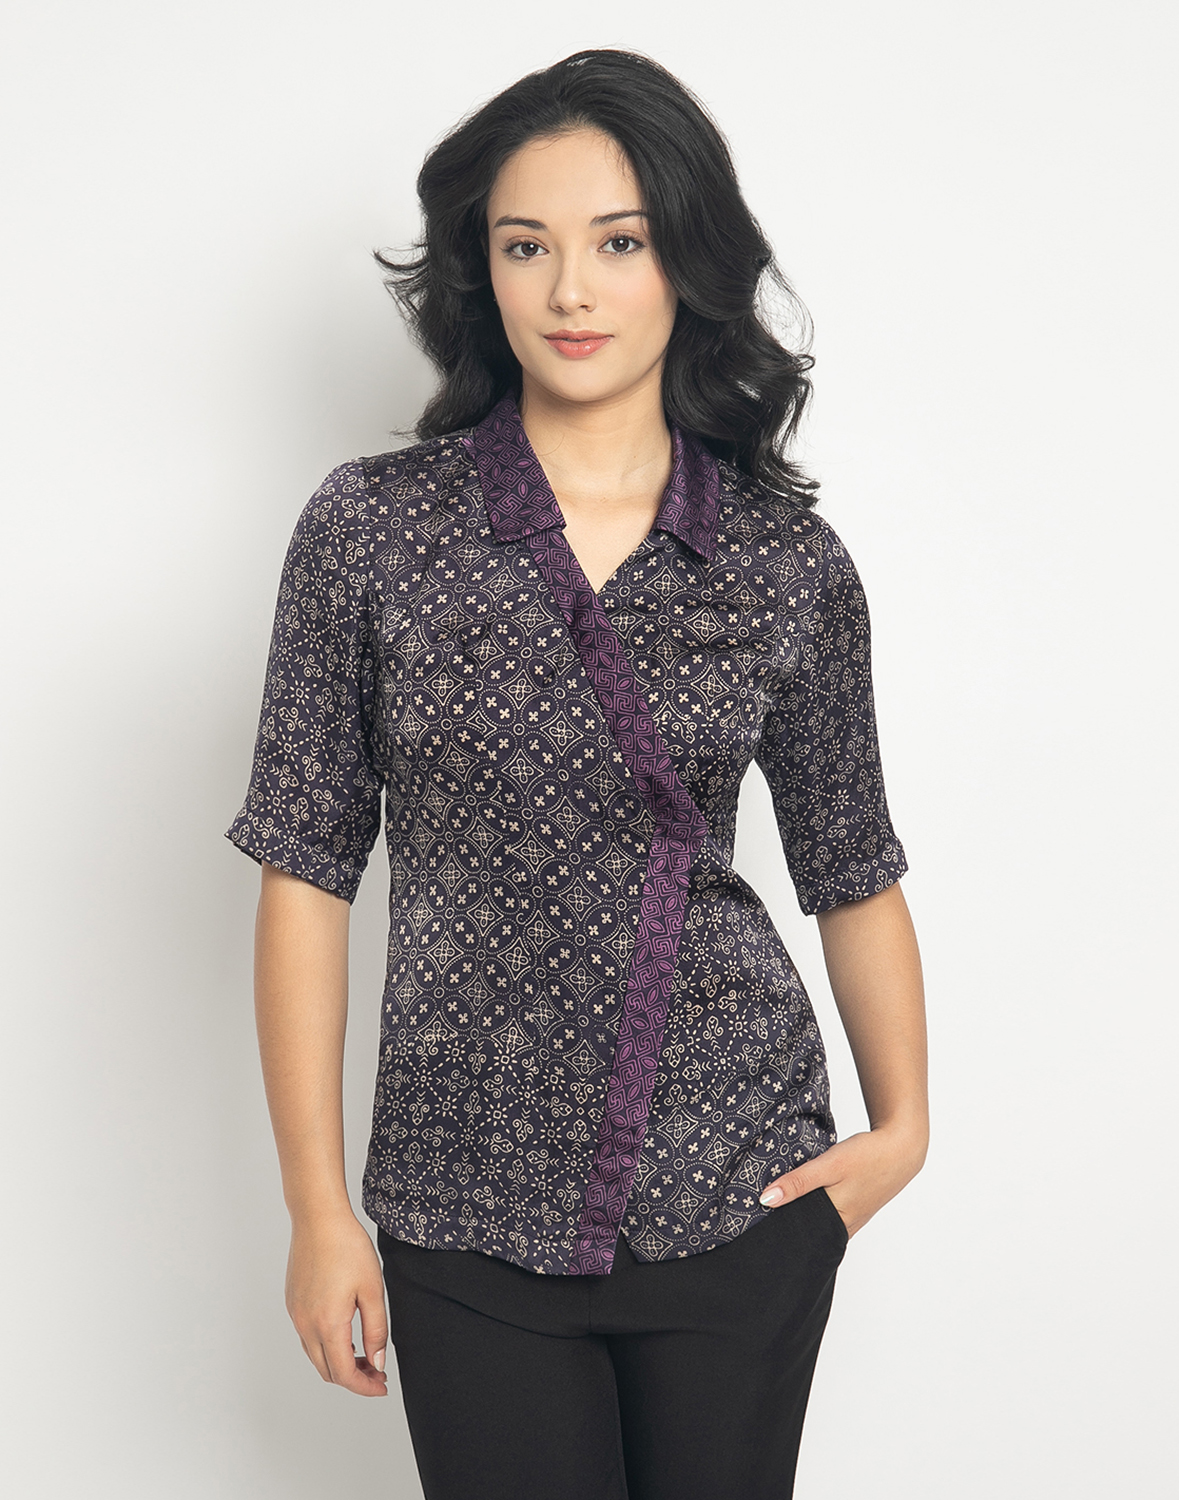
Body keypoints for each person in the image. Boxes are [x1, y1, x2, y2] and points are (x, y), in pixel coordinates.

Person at [227, 48, 927, 1500]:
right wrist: (317, 1209)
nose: (570, 291)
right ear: (479, 273)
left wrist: (902, 1132)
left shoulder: (785, 560)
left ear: (687, 263)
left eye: (618, 243)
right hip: (460, 1194)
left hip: (732, 1183)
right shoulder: (370, 533)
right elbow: (306, 875)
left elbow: (852, 865)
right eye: (524, 246)